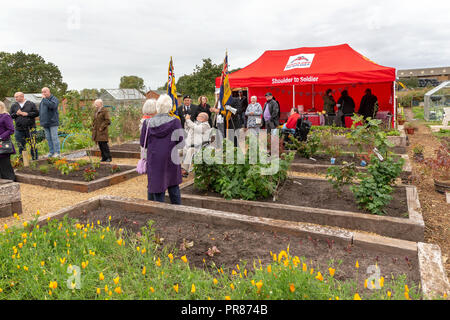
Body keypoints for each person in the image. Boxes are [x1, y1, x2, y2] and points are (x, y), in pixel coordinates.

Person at [140, 94, 183, 204]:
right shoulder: (175, 121)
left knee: (156, 186)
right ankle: (179, 212)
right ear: (170, 107)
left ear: (157, 107)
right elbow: (180, 141)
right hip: (171, 157)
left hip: (154, 158)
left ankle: (157, 214)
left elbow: (143, 143)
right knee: (173, 186)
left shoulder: (147, 123)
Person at [9, 92, 39, 160]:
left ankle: (35, 160)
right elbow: (10, 116)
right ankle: (23, 161)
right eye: (15, 97)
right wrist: (16, 114)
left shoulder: (30, 103)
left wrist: (27, 114)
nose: (15, 98)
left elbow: (37, 113)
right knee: (21, 146)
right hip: (19, 129)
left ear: (22, 96)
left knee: (33, 145)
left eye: (17, 97)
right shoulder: (14, 105)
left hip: (30, 128)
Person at [181, 112, 211, 176]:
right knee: (177, 152)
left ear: (203, 118)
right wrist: (186, 121)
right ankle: (174, 169)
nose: (197, 117)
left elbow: (197, 129)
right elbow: (187, 129)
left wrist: (188, 120)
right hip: (190, 145)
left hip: (200, 147)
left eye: (198, 116)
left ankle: (184, 170)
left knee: (190, 151)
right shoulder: (196, 124)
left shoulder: (206, 125)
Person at [39, 87, 60, 157]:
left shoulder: (54, 99)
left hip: (53, 122)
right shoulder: (42, 101)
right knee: (48, 138)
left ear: (49, 92)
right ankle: (51, 152)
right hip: (45, 122)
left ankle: (57, 153)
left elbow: (52, 106)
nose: (43, 93)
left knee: (54, 137)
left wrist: (44, 99)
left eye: (45, 91)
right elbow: (41, 111)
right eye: (42, 92)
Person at [0, 101, 16, 181]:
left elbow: (11, 130)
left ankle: (10, 180)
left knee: (5, 163)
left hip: (3, 143)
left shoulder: (6, 116)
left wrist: (1, 137)